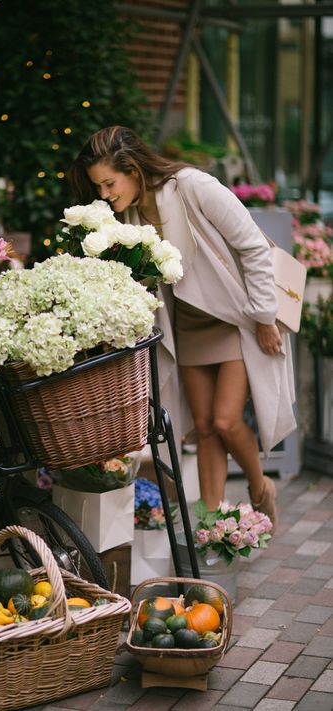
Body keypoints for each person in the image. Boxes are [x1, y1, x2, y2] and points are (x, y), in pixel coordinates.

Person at [68, 125, 297, 531]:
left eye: (109, 183)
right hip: (188, 329)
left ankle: (261, 489)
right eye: (98, 186)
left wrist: (265, 317)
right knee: (204, 428)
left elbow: (253, 246)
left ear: (134, 169)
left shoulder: (193, 186)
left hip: (235, 319)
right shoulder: (132, 216)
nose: (104, 194)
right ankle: (212, 525)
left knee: (227, 420)